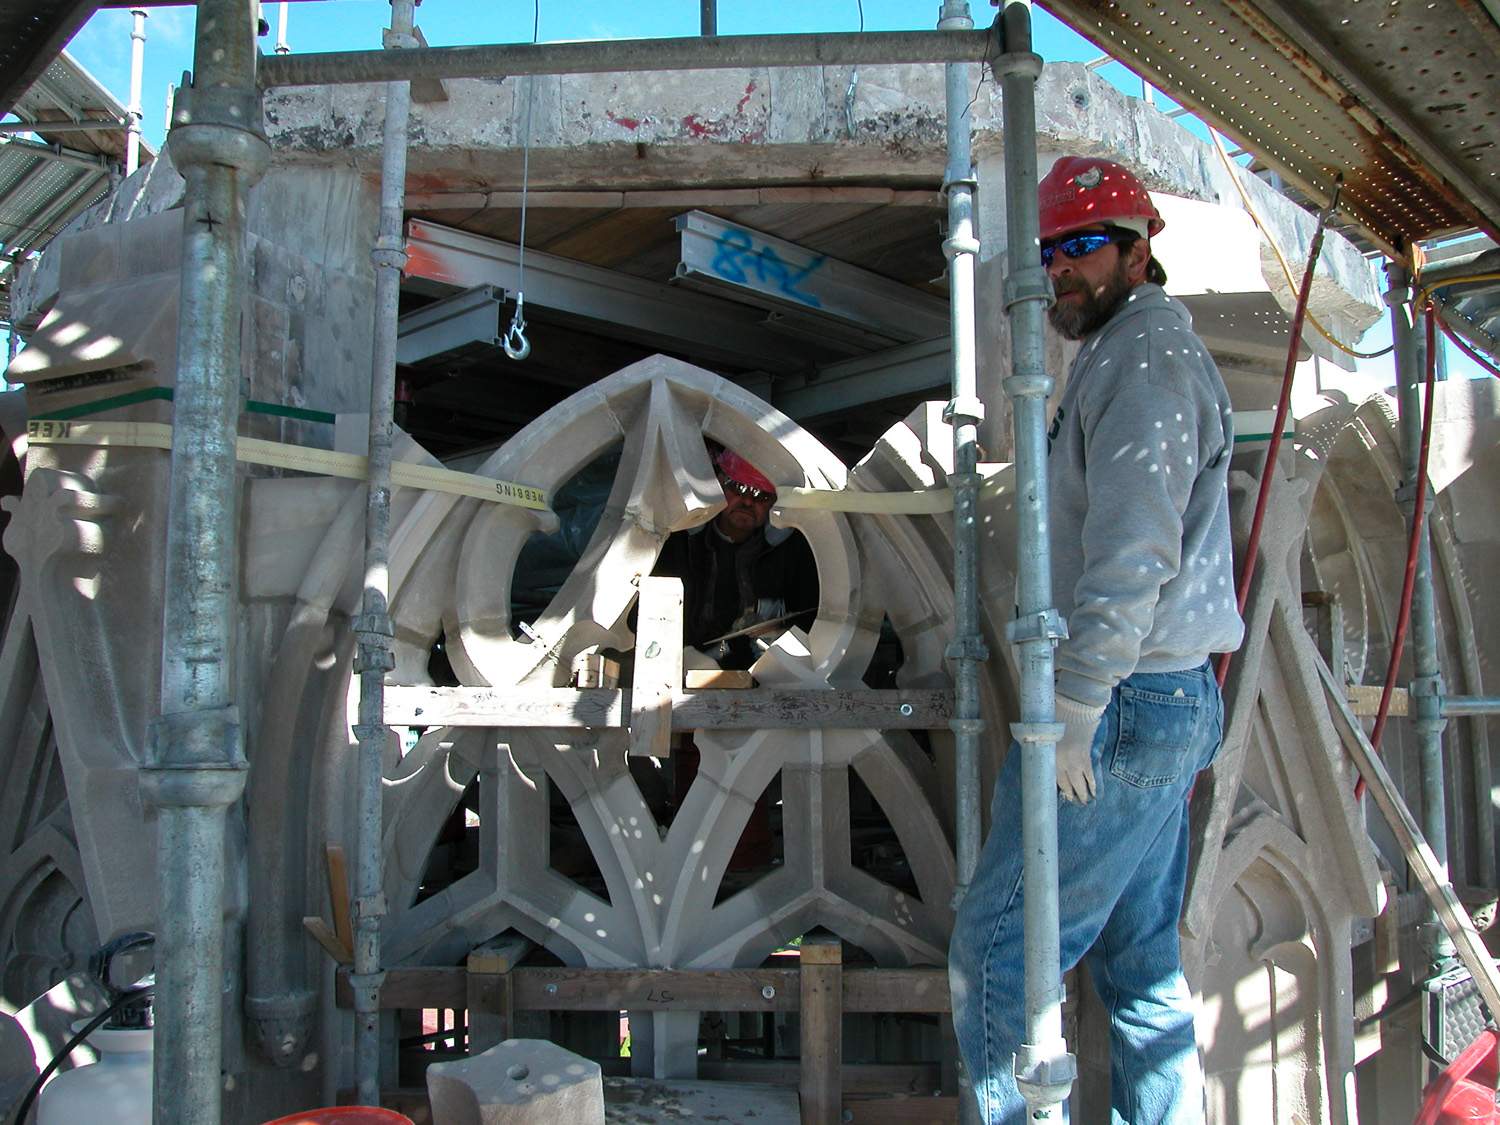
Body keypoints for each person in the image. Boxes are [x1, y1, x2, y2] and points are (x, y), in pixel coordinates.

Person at [949, 156, 1245, 1123]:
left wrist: (1075, 704)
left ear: (1138, 247)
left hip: (1123, 700)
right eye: (1047, 253)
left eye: (1080, 247)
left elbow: (1136, 548)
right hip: (1160, 696)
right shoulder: (1129, 352)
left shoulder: (1143, 359)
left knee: (998, 958)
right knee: (1140, 963)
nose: (1060, 271)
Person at [652, 447, 819, 671]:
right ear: (719, 486)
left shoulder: (791, 552)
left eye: (761, 496)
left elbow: (811, 613)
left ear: (773, 503)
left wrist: (779, 628)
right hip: (680, 663)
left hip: (759, 670)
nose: (748, 502)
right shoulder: (679, 542)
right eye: (739, 488)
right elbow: (644, 611)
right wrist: (680, 653)